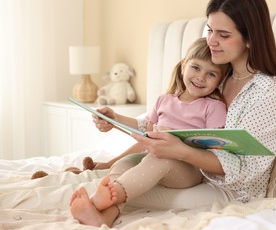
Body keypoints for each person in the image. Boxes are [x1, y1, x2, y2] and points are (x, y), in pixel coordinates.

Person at [70, 0, 276, 227]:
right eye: (210, 30)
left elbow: (245, 167)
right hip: (188, 170)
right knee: (128, 167)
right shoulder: (219, 77)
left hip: (229, 190)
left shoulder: (271, 93)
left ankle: (102, 204)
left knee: (145, 170)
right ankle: (103, 215)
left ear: (250, 38)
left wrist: (179, 151)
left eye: (223, 34)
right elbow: (153, 121)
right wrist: (115, 119)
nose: (211, 41)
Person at [70, 37, 230, 226]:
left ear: (220, 80)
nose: (201, 77)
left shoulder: (213, 107)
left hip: (187, 170)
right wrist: (114, 119)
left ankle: (105, 197)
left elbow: (216, 147)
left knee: (160, 157)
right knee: (124, 164)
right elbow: (144, 130)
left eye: (211, 74)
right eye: (196, 68)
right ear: (183, 66)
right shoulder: (165, 100)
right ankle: (103, 216)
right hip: (151, 158)